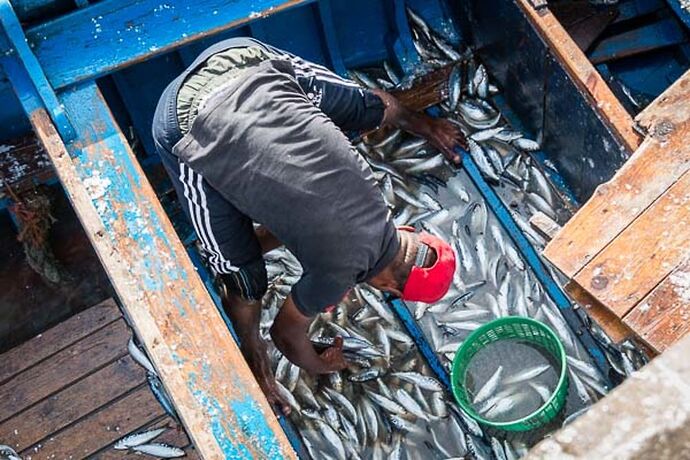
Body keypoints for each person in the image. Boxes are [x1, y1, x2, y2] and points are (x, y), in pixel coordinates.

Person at [152, 37, 464, 412]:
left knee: (365, 109)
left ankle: (422, 125)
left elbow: (311, 222)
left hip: (241, 57)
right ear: (390, 289)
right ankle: (256, 363)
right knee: (244, 281)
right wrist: (320, 363)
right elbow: (285, 335)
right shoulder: (337, 274)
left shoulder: (372, 195)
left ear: (409, 233)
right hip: (182, 119)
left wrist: (429, 129)